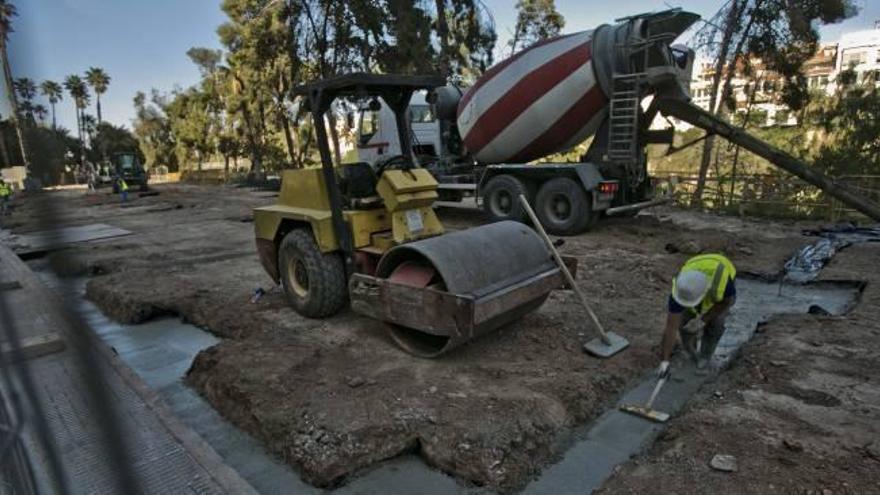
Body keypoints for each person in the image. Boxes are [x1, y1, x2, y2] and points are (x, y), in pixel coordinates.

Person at [657, 253, 737, 376]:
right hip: (697, 268)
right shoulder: (680, 288)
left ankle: (705, 356)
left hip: (720, 275)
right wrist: (664, 361)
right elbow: (671, 327)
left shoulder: (723, 284)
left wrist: (702, 320)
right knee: (685, 323)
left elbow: (726, 302)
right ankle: (691, 352)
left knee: (716, 324)